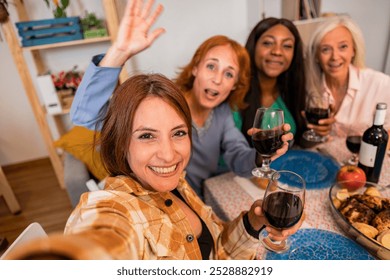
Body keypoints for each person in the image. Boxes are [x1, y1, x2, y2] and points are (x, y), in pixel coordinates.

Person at [5, 72, 303, 260]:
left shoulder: (178, 182)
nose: (168, 154)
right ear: (121, 143)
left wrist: (252, 223)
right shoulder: (114, 207)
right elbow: (106, 235)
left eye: (178, 133)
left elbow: (218, 254)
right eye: (147, 136)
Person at [70, 0, 293, 198]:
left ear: (234, 84)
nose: (217, 79)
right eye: (211, 66)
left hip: (193, 204)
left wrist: (261, 155)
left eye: (228, 74)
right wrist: (118, 52)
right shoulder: (162, 102)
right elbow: (85, 115)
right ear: (196, 68)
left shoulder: (223, 114)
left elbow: (238, 157)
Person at [304, 15, 390, 137]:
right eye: (325, 49)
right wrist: (316, 131)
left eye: (343, 47)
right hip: (322, 155)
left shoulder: (381, 84)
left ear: (353, 50)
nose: (335, 57)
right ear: (316, 56)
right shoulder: (308, 86)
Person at [236, 17, 307, 146]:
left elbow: (299, 142)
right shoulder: (233, 93)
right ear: (254, 46)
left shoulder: (291, 92)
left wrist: (318, 133)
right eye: (268, 43)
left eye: (287, 46)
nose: (277, 52)